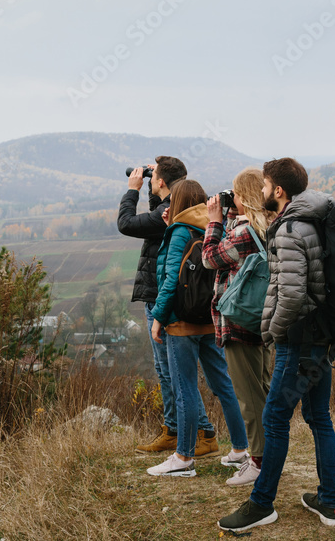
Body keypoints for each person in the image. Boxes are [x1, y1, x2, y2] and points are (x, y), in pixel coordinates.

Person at [218, 158, 335, 531]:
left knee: (274, 420)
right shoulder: (314, 221)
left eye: (267, 185)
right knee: (319, 418)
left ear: (279, 191)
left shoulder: (289, 229)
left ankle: (261, 504)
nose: (263, 191)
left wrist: (271, 331)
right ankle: (330, 503)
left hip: (296, 340)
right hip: (319, 338)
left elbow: (290, 293)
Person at [145, 179, 248, 477]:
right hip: (211, 317)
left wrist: (159, 318)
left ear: (176, 202)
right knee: (223, 384)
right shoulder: (215, 226)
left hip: (181, 321)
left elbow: (170, 280)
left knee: (185, 387)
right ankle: (241, 448)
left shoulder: (179, 232)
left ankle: (183, 458)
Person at [117, 157, 217, 457]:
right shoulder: (180, 209)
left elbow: (126, 224)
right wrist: (152, 186)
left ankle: (200, 432)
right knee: (168, 370)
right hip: (176, 301)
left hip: (164, 303)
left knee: (172, 371)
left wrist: (132, 190)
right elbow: (154, 213)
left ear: (160, 182)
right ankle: (176, 430)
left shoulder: (169, 213)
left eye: (153, 177)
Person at [202, 168, 277, 487]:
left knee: (248, 396)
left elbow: (209, 258)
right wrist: (232, 212)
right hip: (261, 319)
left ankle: (259, 462)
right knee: (261, 389)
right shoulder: (268, 226)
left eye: (236, 194)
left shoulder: (244, 233)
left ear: (244, 197)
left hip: (238, 320)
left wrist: (214, 221)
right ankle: (268, 456)